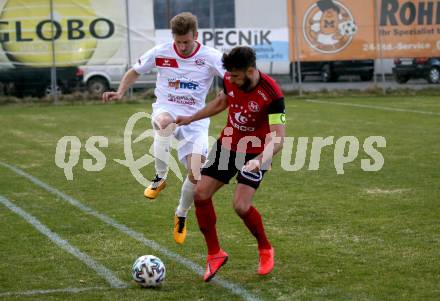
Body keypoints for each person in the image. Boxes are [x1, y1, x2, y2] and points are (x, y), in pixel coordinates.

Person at [102, 12, 225, 245]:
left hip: (195, 119)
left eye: (187, 41)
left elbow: (232, 77)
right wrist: (120, 91)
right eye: (178, 42)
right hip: (166, 108)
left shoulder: (211, 56)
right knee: (164, 123)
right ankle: (160, 177)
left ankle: (181, 214)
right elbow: (135, 71)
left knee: (196, 174)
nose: (182, 46)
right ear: (173, 38)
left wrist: (227, 91)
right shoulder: (161, 52)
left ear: (196, 36)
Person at [176, 46, 286, 281]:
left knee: (241, 206)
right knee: (200, 193)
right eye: (230, 76)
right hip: (228, 146)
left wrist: (258, 161)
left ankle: (265, 248)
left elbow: (278, 140)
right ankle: (215, 254)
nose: (231, 81)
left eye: (236, 76)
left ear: (249, 71)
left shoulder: (272, 94)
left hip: (257, 152)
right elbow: (219, 103)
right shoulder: (229, 79)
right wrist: (190, 118)